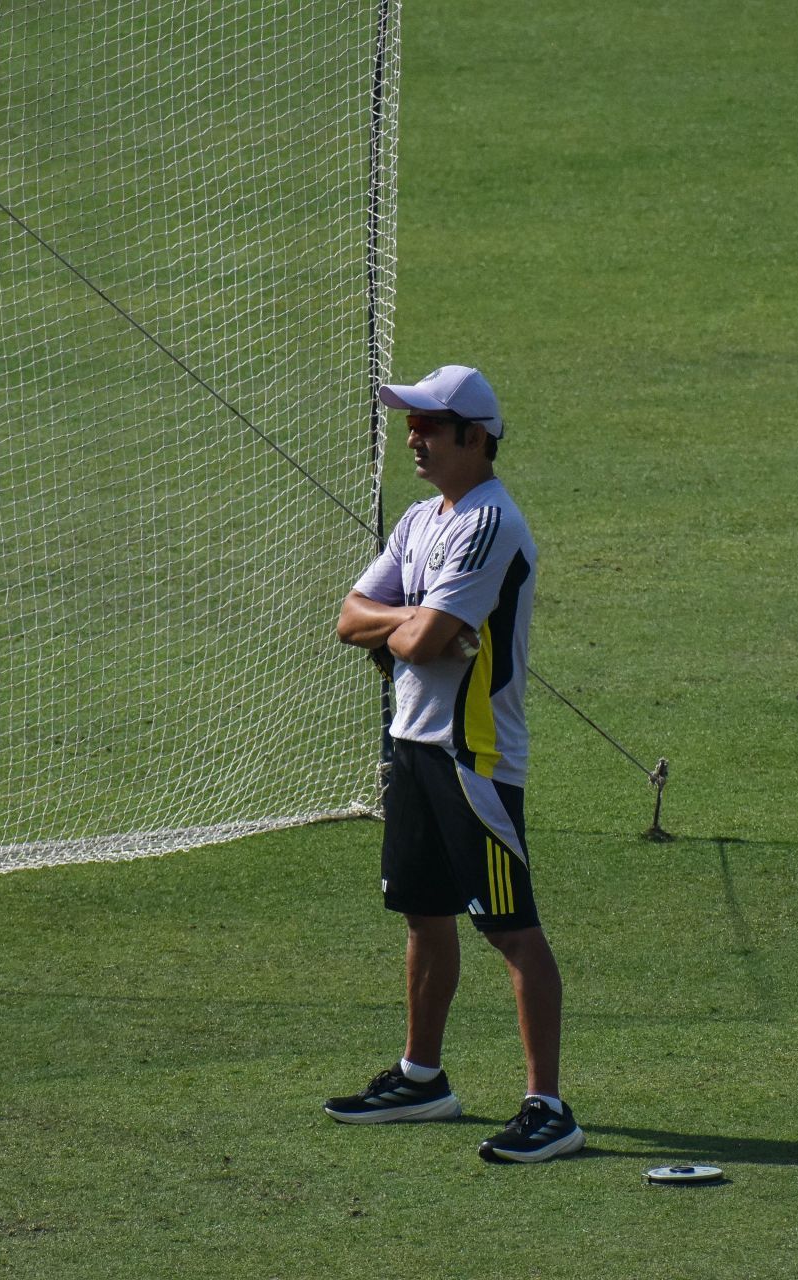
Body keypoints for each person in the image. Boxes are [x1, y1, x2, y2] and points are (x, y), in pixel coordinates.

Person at [325, 364, 582, 1164]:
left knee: (511, 931)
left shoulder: (490, 524)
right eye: (412, 425)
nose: (414, 439)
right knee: (424, 914)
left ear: (475, 436)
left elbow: (425, 643)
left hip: (474, 758)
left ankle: (549, 1107)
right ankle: (421, 1077)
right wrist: (408, 621)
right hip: (415, 743)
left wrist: (405, 627)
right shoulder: (419, 518)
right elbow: (351, 619)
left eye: (429, 426)